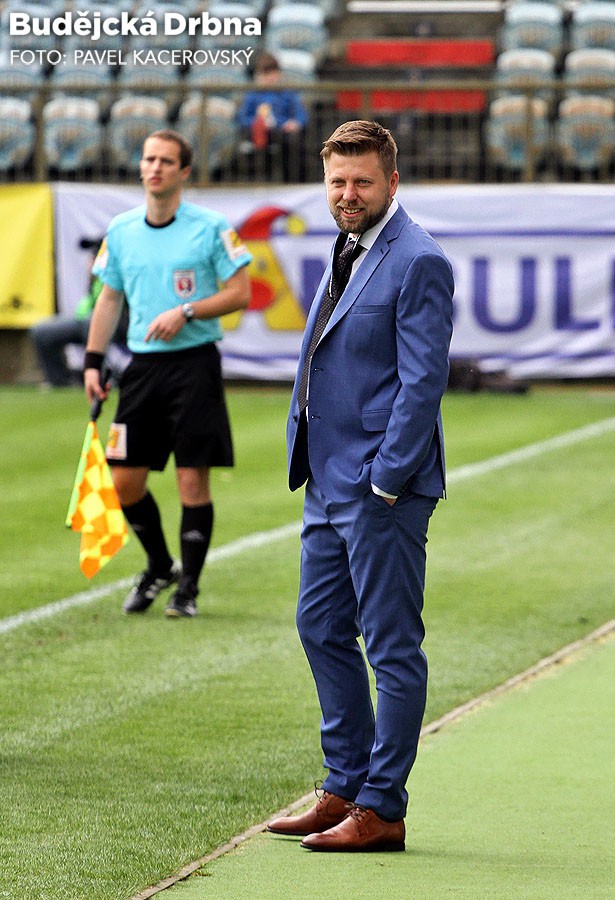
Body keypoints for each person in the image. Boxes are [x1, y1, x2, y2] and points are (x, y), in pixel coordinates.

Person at [267, 121, 454, 851]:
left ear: (392, 182)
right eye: (338, 182)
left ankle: (382, 809)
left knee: (392, 648)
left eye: (362, 182)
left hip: (381, 488)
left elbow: (422, 382)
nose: (348, 194)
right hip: (325, 478)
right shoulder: (347, 244)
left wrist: (385, 481)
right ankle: (343, 785)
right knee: (319, 626)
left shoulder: (419, 259)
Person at [84, 129, 252, 618]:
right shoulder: (121, 230)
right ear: (140, 167)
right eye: (148, 159)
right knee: (123, 483)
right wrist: (93, 361)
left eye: (165, 161)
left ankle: (188, 590)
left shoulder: (211, 227)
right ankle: (160, 565)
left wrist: (187, 310)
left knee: (191, 481)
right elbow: (109, 298)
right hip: (142, 369)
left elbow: (240, 292)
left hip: (195, 365)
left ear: (184, 171)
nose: (155, 167)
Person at [30, 238, 127, 387]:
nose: (91, 261)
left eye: (96, 256)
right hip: (87, 321)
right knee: (42, 331)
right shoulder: (94, 280)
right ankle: (61, 381)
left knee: (92, 325)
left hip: (120, 322)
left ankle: (101, 378)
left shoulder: (120, 273)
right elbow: (85, 308)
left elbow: (112, 305)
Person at [236, 51, 308, 182]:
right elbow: (242, 119)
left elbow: (300, 115)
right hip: (257, 133)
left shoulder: (288, 93)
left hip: (282, 132)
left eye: (272, 73)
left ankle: (291, 181)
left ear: (278, 74)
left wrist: (295, 123)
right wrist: (257, 123)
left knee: (293, 141)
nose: (269, 78)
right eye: (265, 74)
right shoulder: (252, 95)